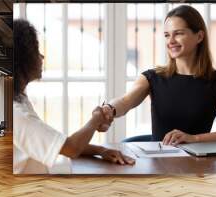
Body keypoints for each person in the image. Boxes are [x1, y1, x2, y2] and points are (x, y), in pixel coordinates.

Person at [13, 19, 135, 174]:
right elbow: (71, 148)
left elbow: (59, 144)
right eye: (36, 51)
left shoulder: (21, 101)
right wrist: (96, 118)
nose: (42, 57)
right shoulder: (17, 113)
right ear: (23, 59)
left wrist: (101, 150)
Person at [99, 5, 216, 146]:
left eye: (178, 33)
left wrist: (194, 139)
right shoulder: (152, 77)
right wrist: (109, 109)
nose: (171, 41)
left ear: (199, 36)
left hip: (200, 165)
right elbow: (125, 101)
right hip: (160, 163)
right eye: (167, 35)